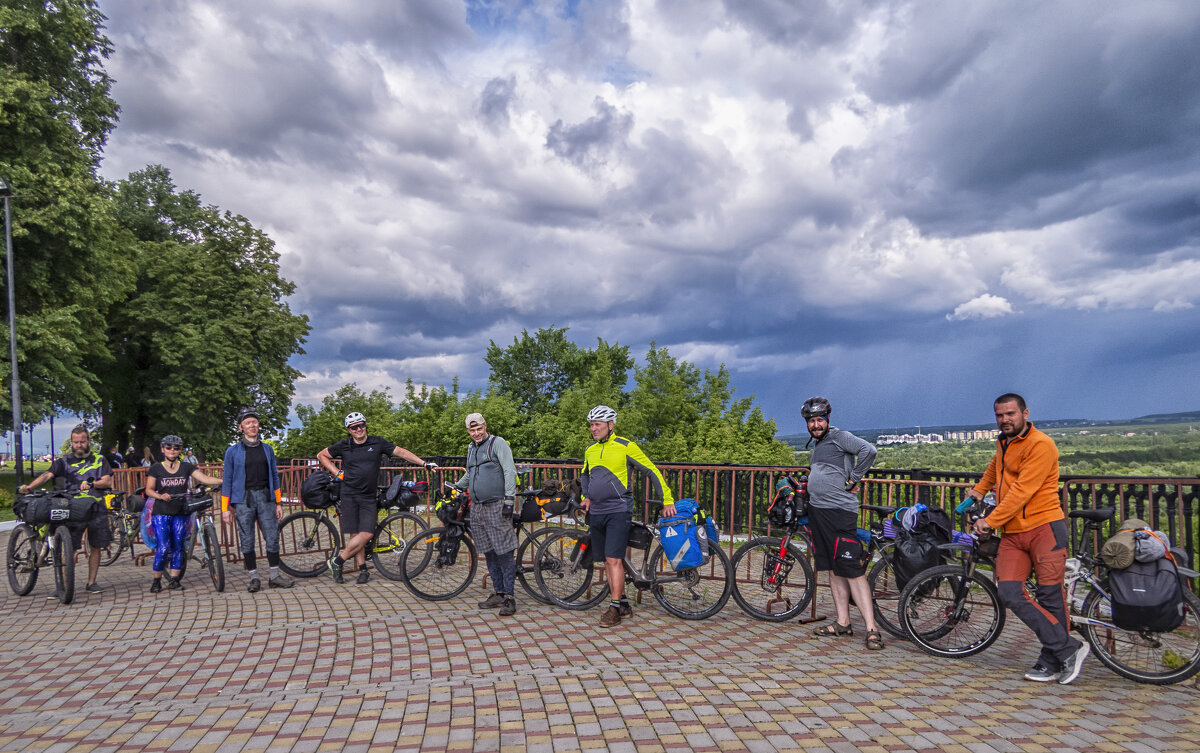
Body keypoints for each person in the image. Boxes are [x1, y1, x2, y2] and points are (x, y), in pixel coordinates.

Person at [965, 393, 1090, 684]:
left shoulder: (1041, 444)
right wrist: (979, 490)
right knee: (1008, 592)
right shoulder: (1003, 442)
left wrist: (990, 520)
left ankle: (1051, 660)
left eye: (1010, 414)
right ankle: (1068, 648)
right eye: (1000, 415)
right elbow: (996, 468)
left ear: (1025, 413)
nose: (1005, 420)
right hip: (1013, 533)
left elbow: (1022, 491)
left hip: (1043, 528)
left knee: (1050, 597)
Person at [801, 397, 884, 650]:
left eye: (819, 420)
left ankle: (872, 628)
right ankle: (843, 622)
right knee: (832, 568)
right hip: (819, 511)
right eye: (811, 421)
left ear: (828, 420)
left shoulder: (839, 436)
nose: (815, 424)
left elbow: (869, 450)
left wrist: (854, 478)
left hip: (839, 511)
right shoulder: (818, 444)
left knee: (852, 569)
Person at [580, 405, 675, 627]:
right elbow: (585, 475)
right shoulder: (590, 450)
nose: (594, 429)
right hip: (597, 511)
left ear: (610, 426)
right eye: (592, 425)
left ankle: (614, 609)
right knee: (609, 559)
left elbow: (651, 470)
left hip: (618, 509)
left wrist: (667, 499)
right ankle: (622, 602)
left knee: (613, 559)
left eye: (598, 425)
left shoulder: (625, 446)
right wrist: (586, 496)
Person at [317, 411, 438, 584]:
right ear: (349, 430)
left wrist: (424, 464)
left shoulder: (377, 442)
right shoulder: (344, 445)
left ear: (365, 425)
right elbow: (321, 455)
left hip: (368, 495)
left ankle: (337, 561)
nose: (359, 429)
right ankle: (363, 570)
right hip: (349, 495)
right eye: (354, 427)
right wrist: (337, 473)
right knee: (355, 535)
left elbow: (401, 452)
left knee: (366, 533)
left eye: (361, 425)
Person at [18, 425, 113, 595]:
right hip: (72, 508)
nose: (79, 445)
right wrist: (29, 486)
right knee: (68, 547)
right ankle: (62, 585)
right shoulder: (64, 461)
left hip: (96, 507)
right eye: (75, 442)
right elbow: (47, 475)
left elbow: (107, 482)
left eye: (82, 442)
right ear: (71, 442)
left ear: (88, 441)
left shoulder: (100, 460)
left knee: (96, 546)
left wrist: (92, 484)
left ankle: (92, 582)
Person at [221, 407, 293, 592]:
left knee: (272, 537)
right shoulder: (232, 451)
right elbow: (227, 480)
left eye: (254, 422)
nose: (252, 425)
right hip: (243, 499)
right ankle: (254, 578)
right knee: (247, 539)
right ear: (241, 427)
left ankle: (274, 576)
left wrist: (278, 502)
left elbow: (275, 477)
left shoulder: (267, 449)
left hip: (266, 497)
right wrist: (225, 508)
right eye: (248, 423)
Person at [453, 413, 519, 616]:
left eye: (478, 429)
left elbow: (509, 471)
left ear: (485, 426)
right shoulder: (471, 448)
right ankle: (498, 592)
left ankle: (510, 597)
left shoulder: (497, 443)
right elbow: (470, 472)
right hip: (478, 507)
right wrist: (456, 487)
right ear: (468, 431)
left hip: (497, 504)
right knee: (489, 552)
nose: (476, 433)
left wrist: (509, 500)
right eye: (472, 431)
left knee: (504, 552)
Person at [145, 434, 223, 592]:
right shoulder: (156, 468)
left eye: (176, 448)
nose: (172, 450)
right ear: (163, 449)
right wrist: (160, 496)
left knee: (179, 545)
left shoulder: (186, 467)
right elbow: (149, 490)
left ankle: (174, 579)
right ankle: (156, 580)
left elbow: (204, 478)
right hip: (161, 512)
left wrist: (223, 481)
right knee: (164, 547)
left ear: (180, 450)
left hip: (181, 511)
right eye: (169, 447)